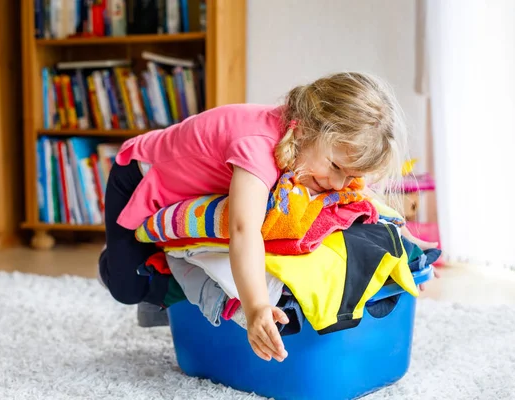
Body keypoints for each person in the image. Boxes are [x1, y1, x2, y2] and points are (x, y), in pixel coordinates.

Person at [98, 71, 436, 363]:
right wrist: (257, 305)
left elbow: (360, 197)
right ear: (304, 130)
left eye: (348, 175)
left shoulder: (311, 145)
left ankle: (171, 272)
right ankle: (120, 263)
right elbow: (245, 231)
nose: (337, 184)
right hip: (138, 177)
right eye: (334, 168)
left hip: (198, 186)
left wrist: (407, 239)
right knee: (128, 287)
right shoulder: (257, 149)